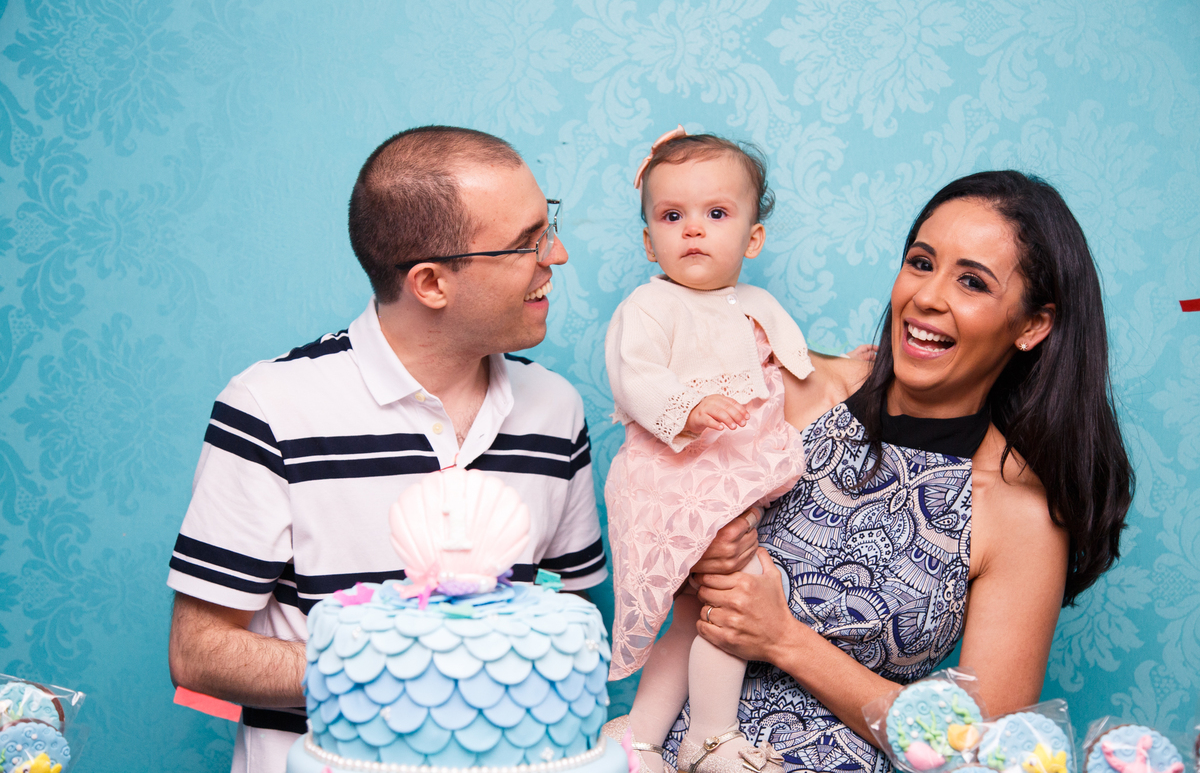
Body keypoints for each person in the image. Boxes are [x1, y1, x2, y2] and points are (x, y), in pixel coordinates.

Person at [166, 126, 609, 773]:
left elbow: (565, 612)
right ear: (430, 283)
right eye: (526, 244)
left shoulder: (555, 409)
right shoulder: (269, 407)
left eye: (549, 226)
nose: (558, 255)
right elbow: (200, 652)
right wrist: (410, 663)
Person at [679, 171, 1134, 773]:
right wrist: (695, 561)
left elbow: (979, 755)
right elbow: (663, 520)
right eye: (921, 263)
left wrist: (784, 639)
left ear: (1032, 325)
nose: (928, 296)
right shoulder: (793, 394)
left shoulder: (1017, 512)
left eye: (971, 281)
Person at [603, 128, 816, 773]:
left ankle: (637, 737)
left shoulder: (758, 305)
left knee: (697, 612)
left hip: (728, 479)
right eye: (672, 217)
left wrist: (853, 368)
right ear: (649, 241)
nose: (693, 230)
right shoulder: (650, 304)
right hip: (670, 475)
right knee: (738, 590)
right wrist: (687, 410)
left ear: (752, 238)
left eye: (716, 214)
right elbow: (633, 374)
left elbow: (797, 366)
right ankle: (712, 738)